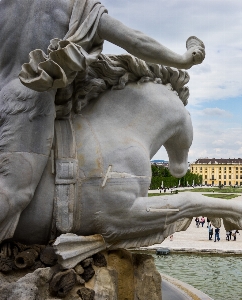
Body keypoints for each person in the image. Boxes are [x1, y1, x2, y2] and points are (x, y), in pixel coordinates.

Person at [0, 0, 205, 243]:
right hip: (26, 101)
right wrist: (182, 60)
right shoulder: (73, 8)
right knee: (16, 192)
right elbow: (137, 42)